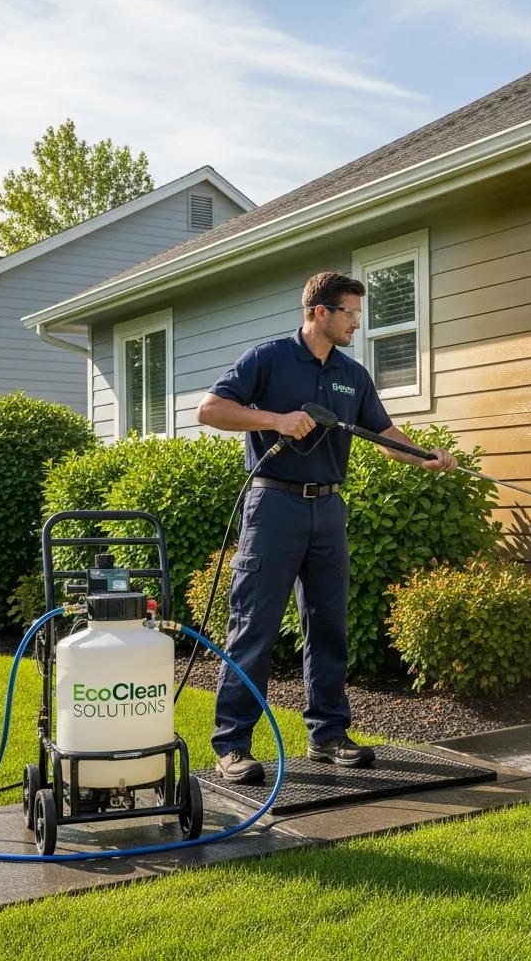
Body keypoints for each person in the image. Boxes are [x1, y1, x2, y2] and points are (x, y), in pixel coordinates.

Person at [197, 271, 456, 783]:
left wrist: (422, 455)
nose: (357, 324)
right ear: (320, 312)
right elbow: (211, 410)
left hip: (328, 510)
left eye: (359, 316)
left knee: (328, 623)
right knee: (255, 624)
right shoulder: (267, 358)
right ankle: (233, 745)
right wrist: (275, 419)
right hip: (273, 507)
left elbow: (381, 432)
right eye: (351, 315)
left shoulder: (352, 375)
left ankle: (329, 735)